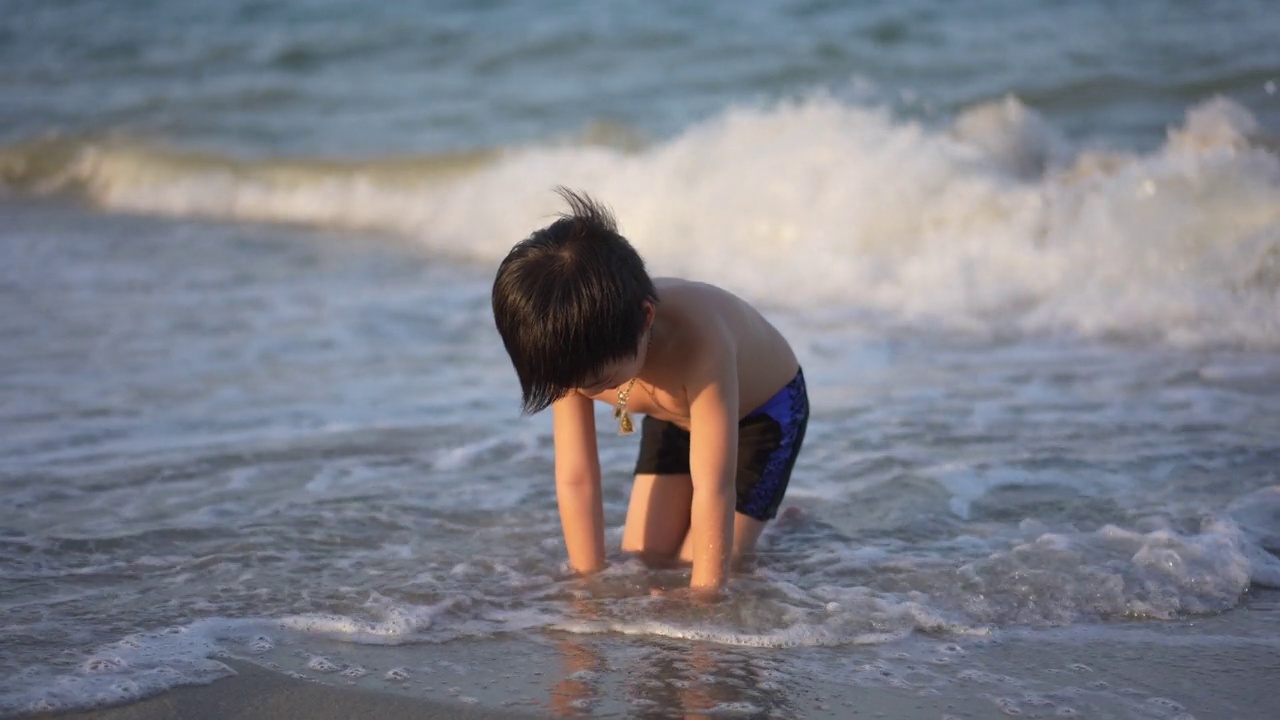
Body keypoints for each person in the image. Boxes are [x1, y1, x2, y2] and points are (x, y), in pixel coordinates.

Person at [491, 188, 808, 592]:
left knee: (698, 563)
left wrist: (706, 603)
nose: (578, 391)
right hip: (674, 416)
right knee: (645, 561)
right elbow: (577, 476)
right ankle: (769, 522)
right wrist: (587, 586)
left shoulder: (700, 340)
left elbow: (714, 487)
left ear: (646, 319)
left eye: (597, 384)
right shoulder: (566, 348)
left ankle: (783, 527)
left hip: (762, 416)